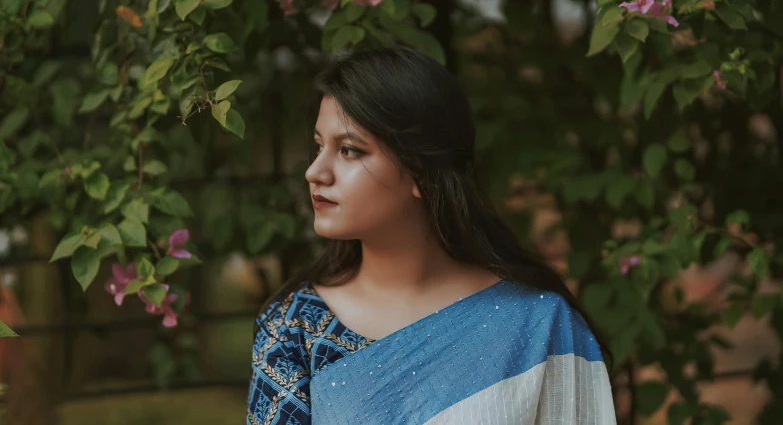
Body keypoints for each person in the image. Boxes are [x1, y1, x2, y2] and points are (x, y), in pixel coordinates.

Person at [246, 44, 617, 424]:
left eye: (350, 150)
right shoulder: (295, 329)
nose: (315, 171)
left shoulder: (538, 325)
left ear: (420, 169)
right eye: (320, 146)